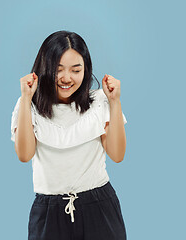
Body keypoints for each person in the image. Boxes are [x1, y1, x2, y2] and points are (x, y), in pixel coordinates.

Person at [10, 30, 128, 240]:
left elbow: (117, 155)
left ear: (86, 70)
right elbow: (24, 155)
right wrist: (27, 98)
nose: (67, 78)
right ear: (44, 68)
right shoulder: (28, 105)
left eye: (76, 70)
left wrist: (115, 102)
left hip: (99, 206)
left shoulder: (100, 101)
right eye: (58, 69)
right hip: (49, 211)